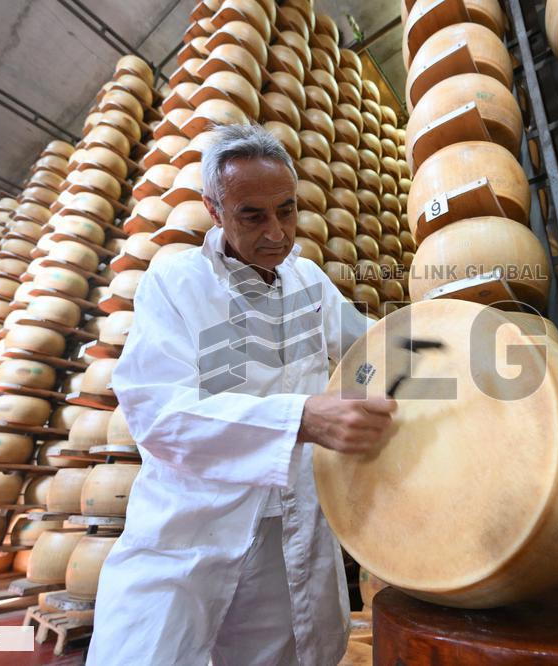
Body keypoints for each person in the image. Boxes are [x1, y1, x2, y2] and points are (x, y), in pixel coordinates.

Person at [88, 124, 396, 665]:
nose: (276, 231)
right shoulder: (176, 281)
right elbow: (158, 412)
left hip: (292, 528)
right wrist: (299, 418)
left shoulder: (308, 283)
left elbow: (374, 348)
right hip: (192, 525)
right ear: (214, 209)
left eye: (286, 209)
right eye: (252, 215)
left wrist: (445, 332)